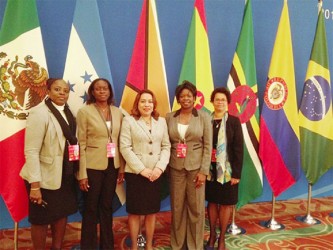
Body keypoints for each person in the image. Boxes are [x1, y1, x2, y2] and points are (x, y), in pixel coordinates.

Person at [20, 78, 78, 250]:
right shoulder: (40, 113)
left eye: (65, 90)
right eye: (57, 89)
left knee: (62, 214)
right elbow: (31, 151)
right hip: (43, 176)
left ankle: (57, 247)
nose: (62, 93)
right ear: (48, 91)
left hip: (65, 173)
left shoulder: (69, 111)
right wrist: (35, 185)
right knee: (41, 219)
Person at [76, 78, 125, 250]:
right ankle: (88, 246)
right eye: (98, 89)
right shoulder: (85, 112)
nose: (102, 91)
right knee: (90, 207)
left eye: (105, 88)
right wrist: (81, 174)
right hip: (92, 166)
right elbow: (80, 143)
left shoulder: (117, 112)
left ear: (110, 91)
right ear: (93, 92)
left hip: (113, 166)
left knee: (106, 206)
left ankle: (107, 245)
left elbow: (120, 141)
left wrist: (122, 169)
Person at [120, 89, 171, 250]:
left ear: (154, 104)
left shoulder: (161, 121)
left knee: (151, 212)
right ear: (137, 103)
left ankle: (149, 245)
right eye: (143, 101)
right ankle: (135, 245)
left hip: (156, 175)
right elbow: (125, 147)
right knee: (135, 212)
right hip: (136, 174)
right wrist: (141, 169)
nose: (146, 104)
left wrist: (159, 168)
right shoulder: (129, 121)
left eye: (150, 101)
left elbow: (166, 146)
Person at [166, 80, 212, 250]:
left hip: (196, 169)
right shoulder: (169, 117)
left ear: (194, 98)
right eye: (182, 96)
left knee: (196, 210)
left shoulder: (204, 117)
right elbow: (165, 142)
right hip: (175, 168)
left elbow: (208, 146)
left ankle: (194, 245)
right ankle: (177, 244)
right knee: (177, 209)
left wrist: (204, 171)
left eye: (189, 95)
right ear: (178, 99)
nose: (186, 98)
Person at [205, 87, 243, 250]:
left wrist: (236, 174)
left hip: (228, 172)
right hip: (209, 171)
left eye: (223, 100)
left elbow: (238, 149)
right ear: (212, 101)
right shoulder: (206, 120)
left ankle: (222, 238)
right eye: (217, 99)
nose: (219, 102)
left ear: (227, 103)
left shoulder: (234, 121)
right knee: (212, 202)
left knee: (226, 204)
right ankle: (212, 234)